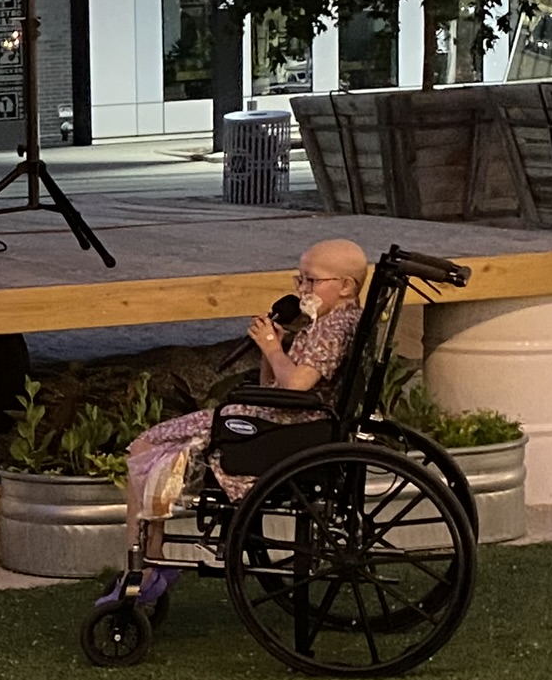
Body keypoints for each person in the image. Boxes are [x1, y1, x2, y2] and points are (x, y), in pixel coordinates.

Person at [107, 238, 370, 609]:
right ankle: (151, 555)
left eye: (312, 282)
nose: (302, 290)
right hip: (281, 418)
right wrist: (273, 348)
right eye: (300, 280)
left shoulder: (333, 327)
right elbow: (274, 386)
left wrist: (272, 347)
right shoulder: (327, 322)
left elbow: (296, 386)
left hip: (287, 428)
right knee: (148, 447)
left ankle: (145, 564)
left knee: (143, 447)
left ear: (345, 286)